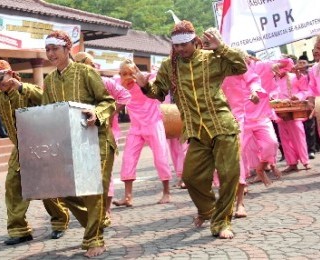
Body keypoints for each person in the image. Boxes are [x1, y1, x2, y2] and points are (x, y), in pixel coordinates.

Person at [135, 20, 247, 239]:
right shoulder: (170, 66)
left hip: (222, 124)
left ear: (195, 42)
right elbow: (158, 93)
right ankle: (209, 211)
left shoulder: (212, 58)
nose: (180, 49)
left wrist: (221, 47)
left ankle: (222, 222)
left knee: (228, 175)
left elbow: (241, 66)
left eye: (185, 44)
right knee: (191, 177)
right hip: (196, 131)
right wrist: (144, 86)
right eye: (176, 45)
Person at [0, 60, 69, 245]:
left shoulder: (27, 88)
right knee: (13, 187)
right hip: (20, 148)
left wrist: (21, 87)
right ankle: (19, 230)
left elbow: (47, 100)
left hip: (41, 146)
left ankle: (60, 222)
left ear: (11, 74)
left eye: (1, 78)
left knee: (47, 188)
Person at [43, 30, 116, 258]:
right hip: (70, 145)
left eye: (55, 48)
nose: (51, 53)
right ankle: (96, 223)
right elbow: (48, 113)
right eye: (48, 49)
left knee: (94, 189)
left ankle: (94, 238)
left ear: (68, 49)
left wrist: (97, 112)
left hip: (98, 140)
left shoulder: (86, 72)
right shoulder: (49, 80)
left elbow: (108, 101)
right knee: (65, 191)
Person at [74, 51, 131, 221]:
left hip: (107, 131)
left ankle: (106, 209)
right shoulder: (75, 84)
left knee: (105, 172)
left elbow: (125, 96)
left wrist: (111, 113)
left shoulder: (104, 81)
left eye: (88, 66)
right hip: (83, 133)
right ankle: (92, 210)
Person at [112, 59, 172, 207]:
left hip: (153, 124)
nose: (128, 77)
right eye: (124, 74)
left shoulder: (145, 78)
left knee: (160, 158)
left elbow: (159, 78)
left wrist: (141, 78)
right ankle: (128, 197)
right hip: (136, 127)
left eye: (130, 73)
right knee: (128, 159)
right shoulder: (118, 84)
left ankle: (166, 193)